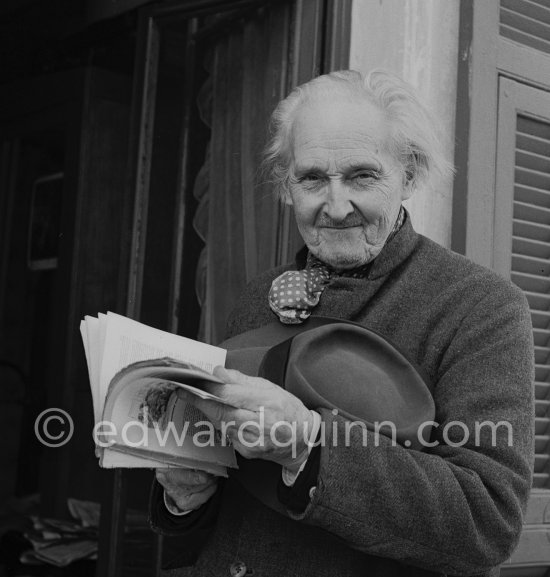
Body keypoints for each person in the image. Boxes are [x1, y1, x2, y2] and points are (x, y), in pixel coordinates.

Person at [150, 70, 534, 577]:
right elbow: (236, 511)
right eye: (312, 178)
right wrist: (187, 495)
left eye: (362, 176)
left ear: (410, 175)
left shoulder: (479, 305)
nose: (335, 206)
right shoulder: (256, 297)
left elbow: (487, 520)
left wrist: (307, 442)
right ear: (286, 185)